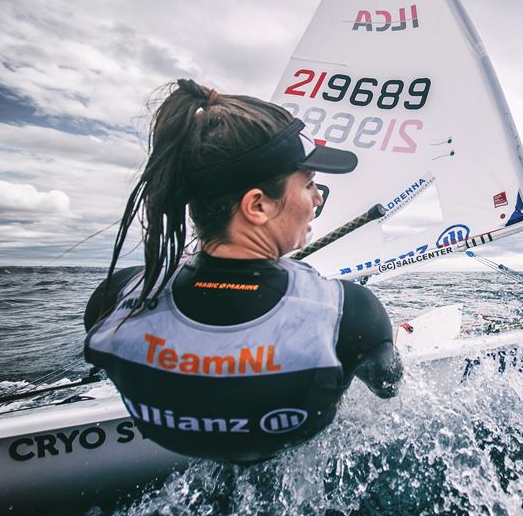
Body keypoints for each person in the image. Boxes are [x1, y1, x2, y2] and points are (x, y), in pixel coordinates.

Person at [83, 79, 402, 463]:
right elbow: (388, 386)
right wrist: (370, 346)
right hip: (292, 443)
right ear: (258, 206)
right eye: (310, 184)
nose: (318, 199)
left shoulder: (116, 296)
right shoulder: (350, 311)